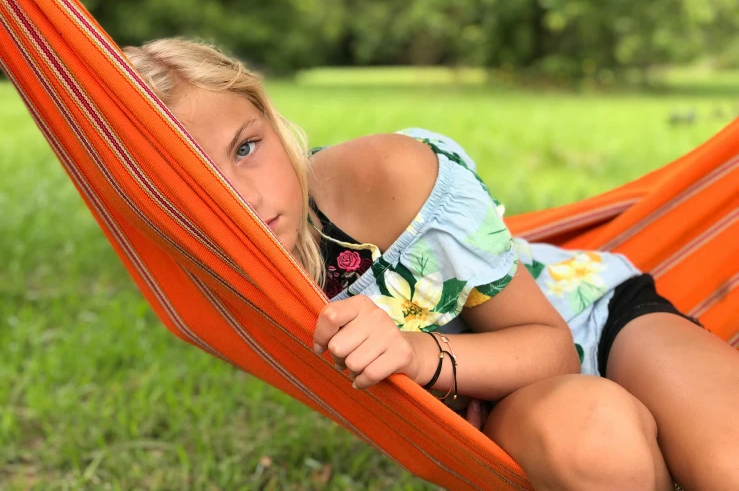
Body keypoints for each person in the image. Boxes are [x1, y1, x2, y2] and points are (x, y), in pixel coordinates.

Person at [124, 38, 739, 491]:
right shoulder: (211, 278)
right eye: (196, 183)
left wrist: (420, 355)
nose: (247, 200)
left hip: (592, 320)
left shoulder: (387, 178)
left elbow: (551, 344)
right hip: (502, 412)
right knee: (598, 443)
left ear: (267, 113)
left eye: (247, 147)